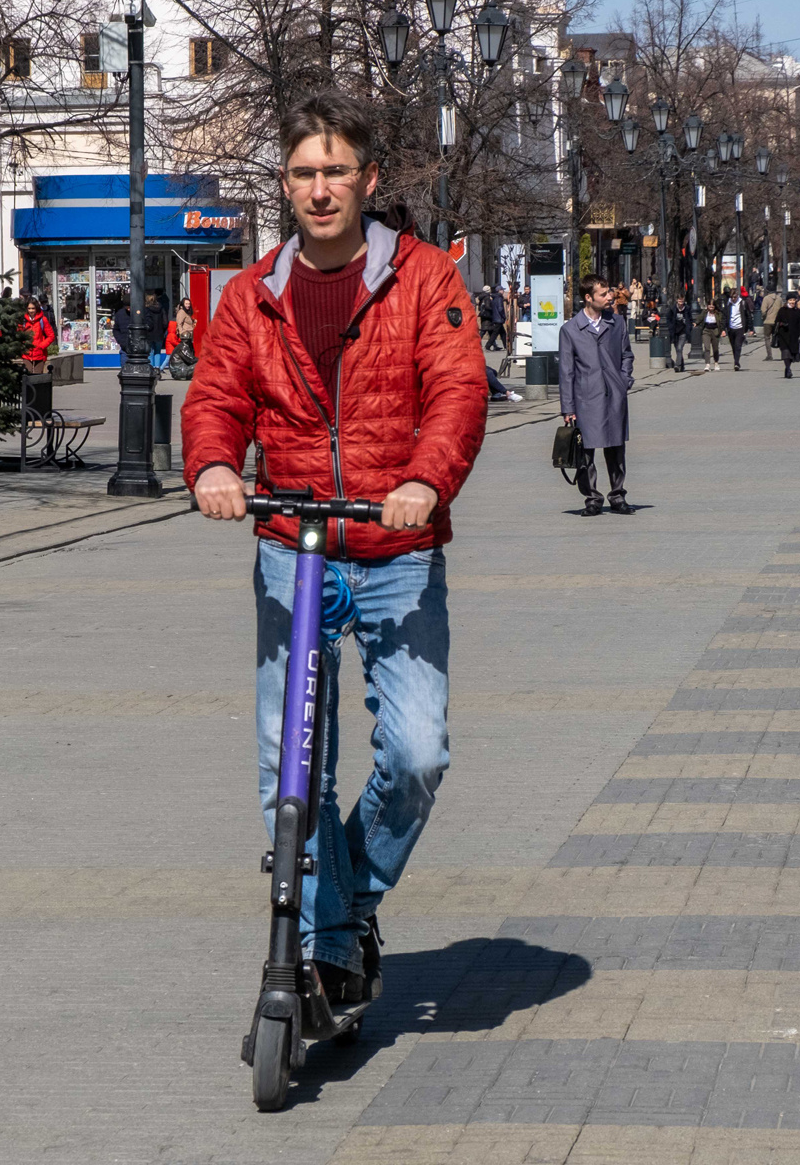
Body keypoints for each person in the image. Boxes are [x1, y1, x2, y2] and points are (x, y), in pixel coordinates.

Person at [182, 90, 487, 1009]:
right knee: (292, 762)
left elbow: (459, 393)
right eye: (304, 173)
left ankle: (347, 910)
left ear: (368, 180)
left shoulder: (426, 279)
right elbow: (215, 399)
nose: (320, 190)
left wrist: (426, 480)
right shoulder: (251, 294)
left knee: (420, 753)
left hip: (396, 547)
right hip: (295, 547)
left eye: (336, 172)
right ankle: (324, 945)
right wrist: (210, 467)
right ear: (285, 182)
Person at [559, 274, 635, 515]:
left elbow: (627, 355)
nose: (610, 297)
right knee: (586, 452)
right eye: (603, 294)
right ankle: (592, 499)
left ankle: (617, 496)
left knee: (616, 448)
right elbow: (566, 373)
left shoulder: (617, 323)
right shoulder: (570, 330)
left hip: (614, 395)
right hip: (585, 399)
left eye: (609, 292)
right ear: (588, 298)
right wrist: (568, 408)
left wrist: (624, 381)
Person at [773, 292, 800, 378]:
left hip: (794, 336)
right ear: (787, 301)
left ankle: (788, 367)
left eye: (793, 300)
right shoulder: (782, 310)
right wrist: (782, 324)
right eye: (790, 300)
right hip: (783, 335)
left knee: (791, 354)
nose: (792, 302)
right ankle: (788, 369)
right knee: (785, 352)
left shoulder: (797, 311)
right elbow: (776, 321)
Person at [22, 296, 57, 373]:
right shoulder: (23, 321)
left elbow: (51, 336)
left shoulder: (42, 320)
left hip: (40, 353)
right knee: (27, 375)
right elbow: (18, 335)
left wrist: (41, 346)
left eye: (33, 308)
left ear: (36, 308)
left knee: (38, 378)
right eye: (29, 308)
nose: (31, 311)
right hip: (26, 354)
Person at [724, 286, 749, 370]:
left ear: (737, 295)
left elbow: (748, 316)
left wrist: (750, 329)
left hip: (740, 327)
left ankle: (736, 363)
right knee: (733, 346)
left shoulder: (742, 303)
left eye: (734, 297)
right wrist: (724, 329)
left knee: (738, 345)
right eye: (731, 297)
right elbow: (725, 316)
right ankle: (736, 360)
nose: (733, 299)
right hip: (731, 328)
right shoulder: (728, 303)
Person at [759, 283, 783, 360]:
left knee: (767, 338)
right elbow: (782, 310)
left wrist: (763, 317)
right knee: (779, 337)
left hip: (767, 321)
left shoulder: (766, 298)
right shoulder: (779, 299)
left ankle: (769, 355)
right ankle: (783, 354)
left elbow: (763, 310)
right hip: (777, 321)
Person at [698, 295, 723, 371]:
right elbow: (700, 318)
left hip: (715, 330)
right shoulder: (705, 312)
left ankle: (716, 362)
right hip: (706, 330)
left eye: (712, 306)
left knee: (715, 348)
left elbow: (721, 323)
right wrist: (696, 323)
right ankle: (707, 364)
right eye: (709, 306)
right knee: (707, 347)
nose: (711, 308)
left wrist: (722, 331)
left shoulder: (718, 313)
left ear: (715, 306)